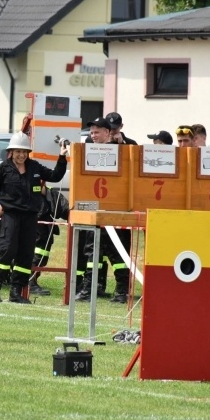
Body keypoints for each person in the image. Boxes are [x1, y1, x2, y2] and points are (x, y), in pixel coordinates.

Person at [0, 132, 67, 303]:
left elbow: (55, 176)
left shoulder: (35, 167)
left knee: (25, 255)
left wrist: (62, 157)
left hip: (30, 218)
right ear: (11, 152)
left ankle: (16, 293)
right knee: (6, 252)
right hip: (11, 217)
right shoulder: (3, 168)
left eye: (24, 152)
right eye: (17, 151)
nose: (21, 155)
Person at [76, 117, 135, 303]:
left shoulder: (122, 151)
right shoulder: (86, 151)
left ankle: (121, 291)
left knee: (118, 253)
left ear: (108, 133)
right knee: (92, 252)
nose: (93, 136)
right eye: (91, 132)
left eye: (97, 132)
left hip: (116, 210)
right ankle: (89, 289)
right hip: (94, 210)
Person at [28, 183, 69, 295]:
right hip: (34, 231)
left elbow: (64, 209)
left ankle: (31, 281)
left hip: (43, 233)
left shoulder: (49, 192)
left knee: (40, 257)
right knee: (33, 256)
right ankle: (29, 283)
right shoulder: (24, 189)